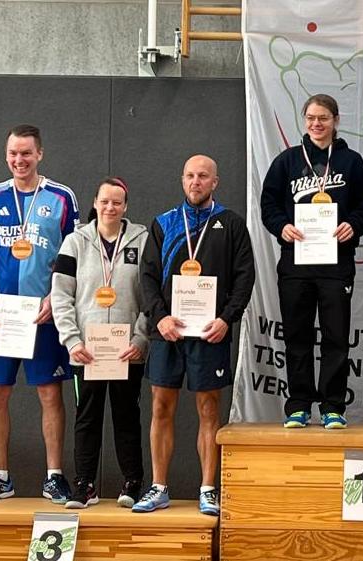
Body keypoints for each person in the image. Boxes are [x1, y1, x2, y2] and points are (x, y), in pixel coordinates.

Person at [135, 155, 254, 516]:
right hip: (168, 332)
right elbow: (147, 277)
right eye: (190, 175)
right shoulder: (164, 223)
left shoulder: (231, 224)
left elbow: (245, 276)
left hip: (209, 333)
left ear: (215, 182)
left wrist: (226, 319)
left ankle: (208, 489)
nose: (195, 182)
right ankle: (159, 487)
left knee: (208, 409)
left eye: (203, 176)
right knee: (161, 406)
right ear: (182, 179)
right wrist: (159, 318)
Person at [0, 124, 80, 503]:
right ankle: (0, 476)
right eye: (14, 154)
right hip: (1, 314)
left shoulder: (62, 197)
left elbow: (72, 254)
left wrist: (55, 298)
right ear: (6, 156)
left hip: (42, 313)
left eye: (27, 153)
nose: (20, 160)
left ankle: (54, 476)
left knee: (49, 392)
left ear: (40, 154)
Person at [260, 93, 363, 429]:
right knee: (297, 337)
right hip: (295, 265)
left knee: (335, 338)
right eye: (311, 117)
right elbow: (269, 205)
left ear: (336, 121)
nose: (316, 124)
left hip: (336, 266)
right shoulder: (287, 161)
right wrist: (282, 226)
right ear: (304, 120)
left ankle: (332, 407)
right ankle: (298, 405)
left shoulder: (351, 162)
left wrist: (353, 224)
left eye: (323, 118)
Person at [51, 177, 150, 509]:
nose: (110, 207)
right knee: (87, 417)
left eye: (117, 202)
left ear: (126, 206)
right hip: (87, 351)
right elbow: (60, 296)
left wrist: (140, 338)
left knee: (127, 416)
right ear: (95, 203)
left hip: (127, 350)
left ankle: (133, 483)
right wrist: (71, 340)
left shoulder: (142, 241)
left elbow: (151, 296)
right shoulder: (74, 242)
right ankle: (84, 485)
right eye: (105, 201)